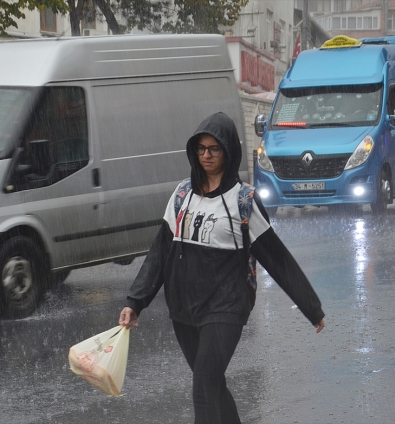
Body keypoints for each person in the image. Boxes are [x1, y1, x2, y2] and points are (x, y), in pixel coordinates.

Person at [118, 112, 325, 424]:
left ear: (228, 151)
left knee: (203, 386)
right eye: (201, 148)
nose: (206, 155)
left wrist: (312, 307)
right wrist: (135, 302)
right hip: (184, 309)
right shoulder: (181, 196)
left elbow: (276, 257)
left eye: (214, 149)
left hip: (226, 306)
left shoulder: (243, 200)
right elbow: (160, 254)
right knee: (213, 385)